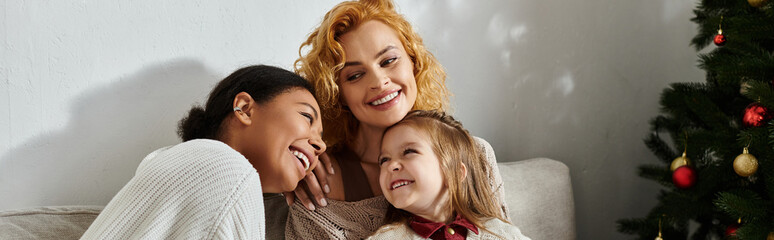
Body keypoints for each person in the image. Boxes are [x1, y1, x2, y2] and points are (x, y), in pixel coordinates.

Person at [270, 0, 509, 239]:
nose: (378, 81)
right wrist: (290, 165)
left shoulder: (475, 155)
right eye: (355, 75)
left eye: (388, 61)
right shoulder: (317, 185)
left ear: (414, 61)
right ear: (337, 94)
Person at [81, 65, 326, 239]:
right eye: (306, 116)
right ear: (244, 108)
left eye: (322, 137)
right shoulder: (227, 169)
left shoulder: (186, 164)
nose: (321, 145)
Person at [368, 110, 529, 240]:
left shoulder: (500, 232)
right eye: (384, 160)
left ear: (456, 173)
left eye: (409, 152)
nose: (391, 165)